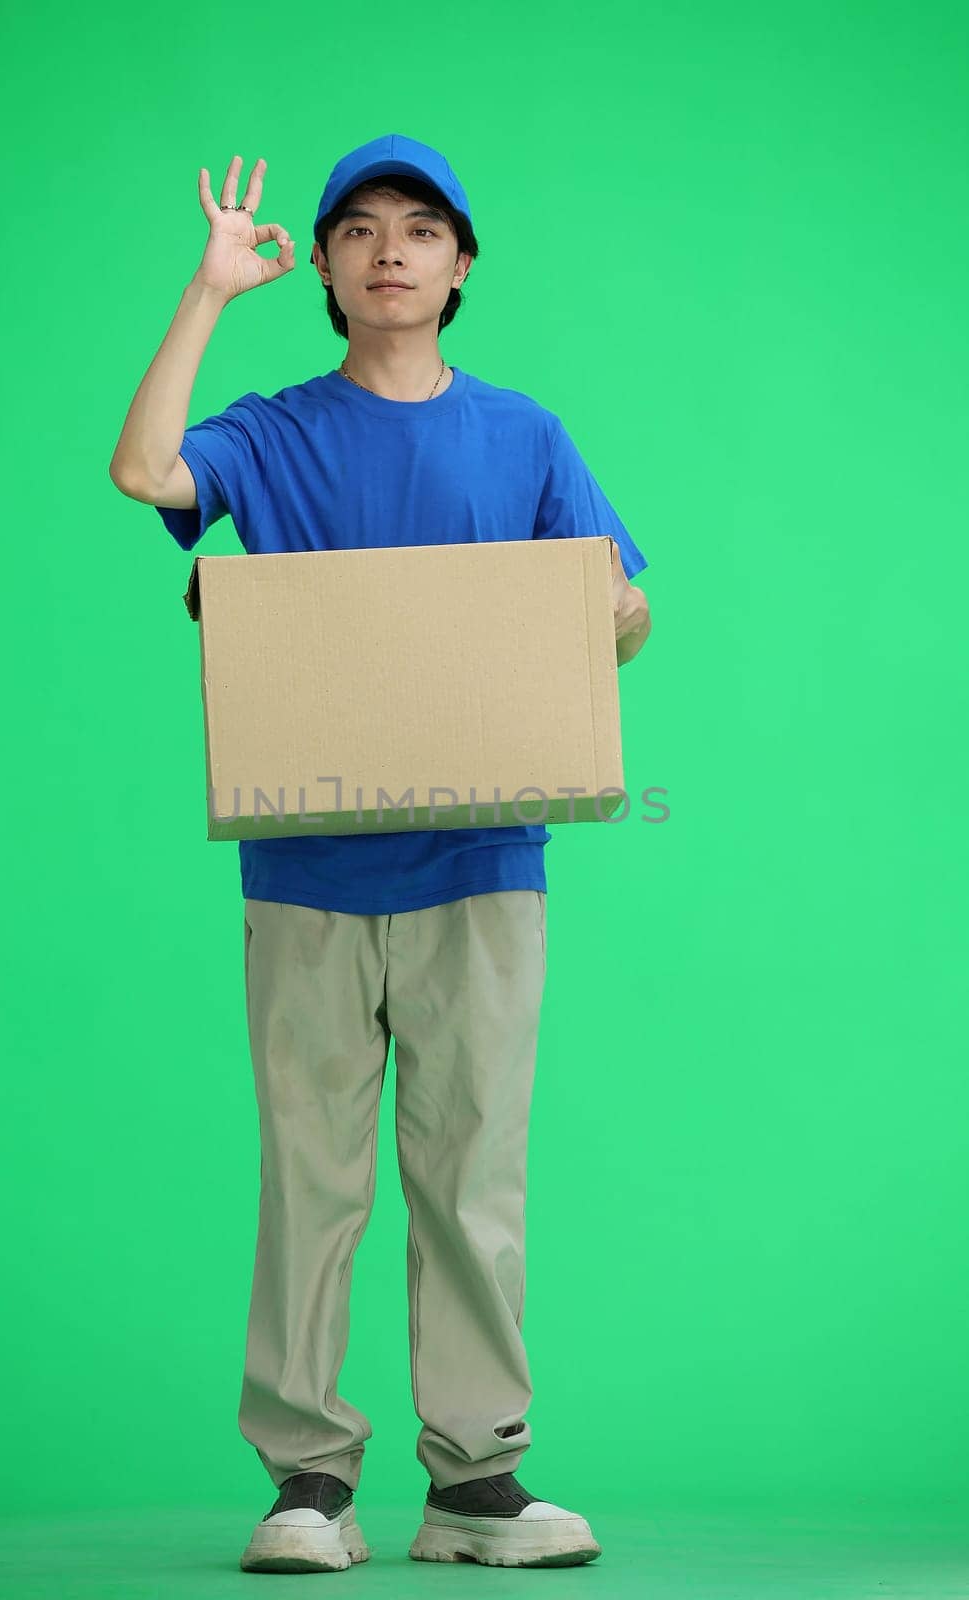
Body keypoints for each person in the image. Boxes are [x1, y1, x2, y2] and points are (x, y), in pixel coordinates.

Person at [109, 133, 652, 1574]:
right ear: (331, 269)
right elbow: (143, 469)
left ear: (461, 266)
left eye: (422, 228)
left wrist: (605, 618)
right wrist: (211, 291)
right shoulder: (272, 431)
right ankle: (308, 1483)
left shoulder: (526, 435)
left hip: (483, 864)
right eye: (359, 229)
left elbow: (617, 607)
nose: (391, 248)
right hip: (307, 868)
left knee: (474, 1175)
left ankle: (477, 1485)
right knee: (312, 1174)